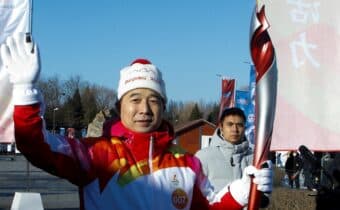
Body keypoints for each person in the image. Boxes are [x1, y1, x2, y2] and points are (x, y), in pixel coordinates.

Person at [1, 33, 273, 210]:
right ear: (120, 107)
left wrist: (242, 192)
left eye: (153, 100)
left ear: (163, 106)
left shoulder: (187, 163)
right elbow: (34, 145)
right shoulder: (95, 154)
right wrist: (25, 90)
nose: (144, 108)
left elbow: (211, 206)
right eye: (135, 99)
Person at [195, 107, 269, 207]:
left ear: (245, 127)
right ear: (221, 127)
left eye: (239, 125)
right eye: (230, 124)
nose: (235, 129)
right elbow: (195, 196)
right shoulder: (203, 157)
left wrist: (263, 196)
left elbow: (264, 198)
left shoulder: (255, 158)